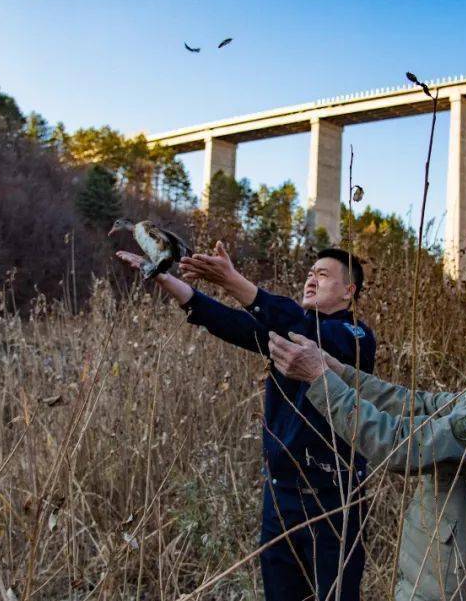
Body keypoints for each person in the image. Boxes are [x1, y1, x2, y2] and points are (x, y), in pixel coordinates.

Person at [115, 242, 375, 601]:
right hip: (280, 495)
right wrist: (161, 276)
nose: (311, 280)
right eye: (310, 273)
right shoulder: (287, 330)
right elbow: (228, 321)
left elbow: (302, 329)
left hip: (333, 501)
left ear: (350, 291)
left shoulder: (354, 336)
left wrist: (233, 280)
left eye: (324, 275)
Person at [268, 287, 466, 601]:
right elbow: (418, 404)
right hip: (444, 579)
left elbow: (401, 446)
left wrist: (320, 380)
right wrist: (339, 372)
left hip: (457, 589)